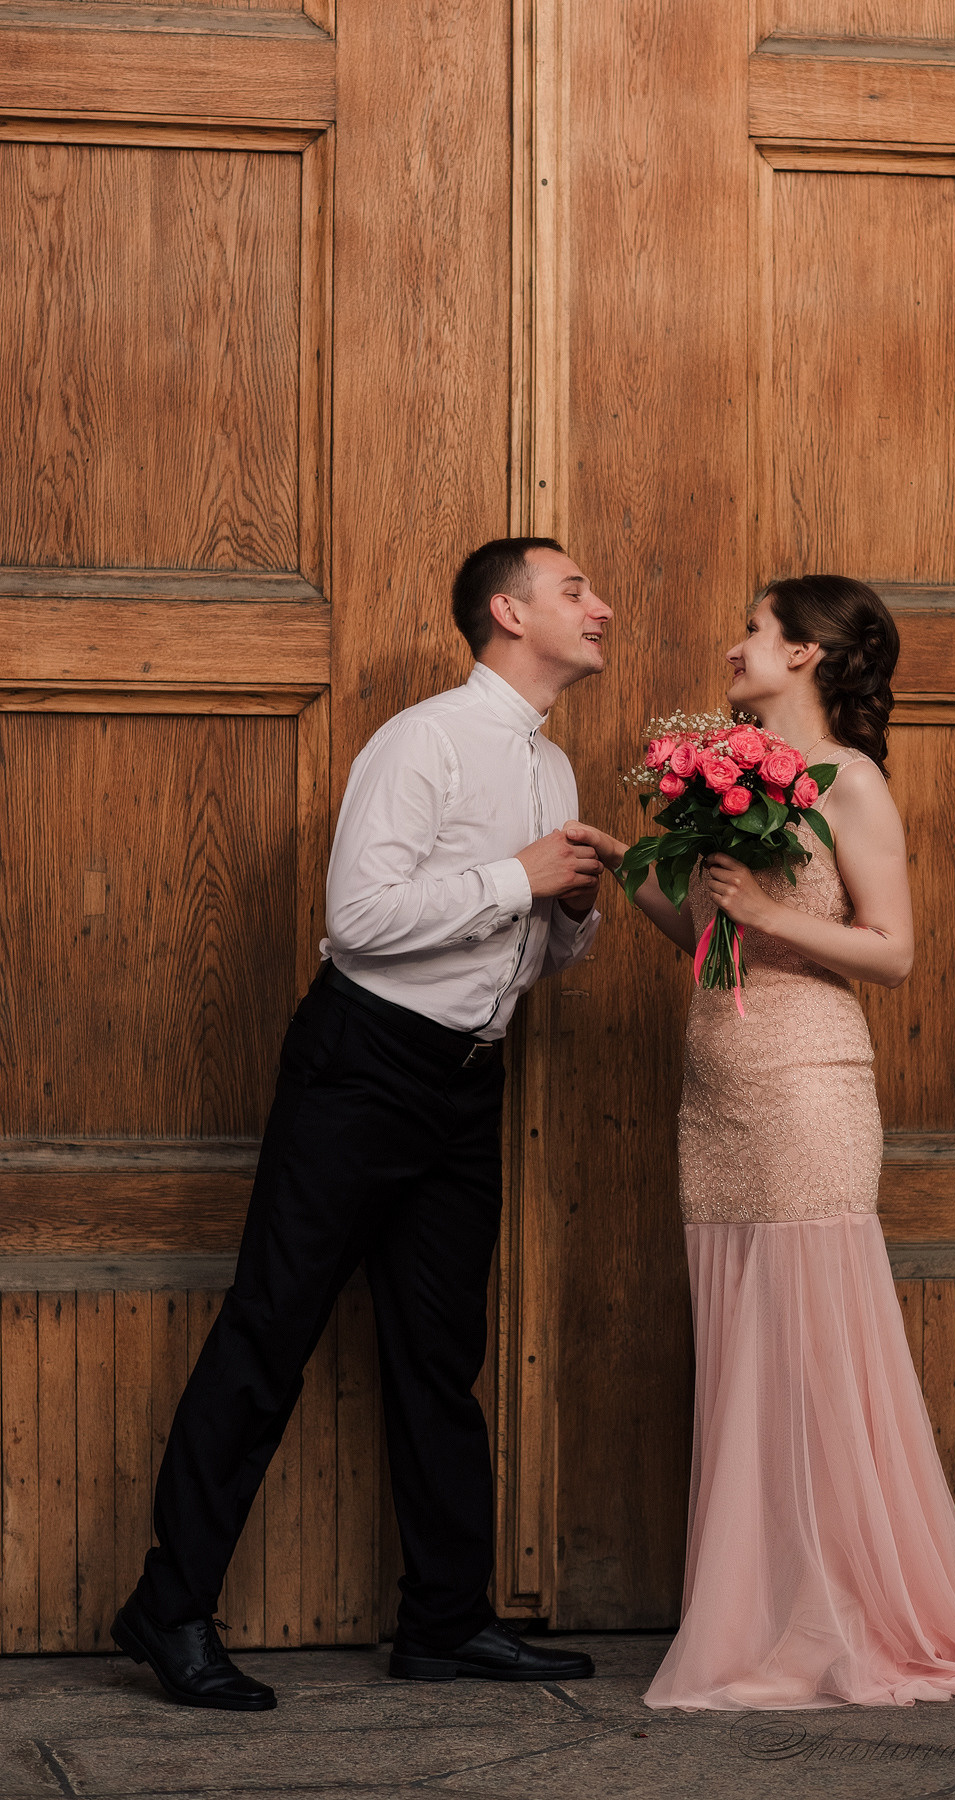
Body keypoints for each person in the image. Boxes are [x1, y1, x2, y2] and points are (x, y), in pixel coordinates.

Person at [573, 575, 955, 1710]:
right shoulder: (729, 776)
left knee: (810, 1350)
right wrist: (628, 866)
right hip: (718, 1089)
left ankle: (847, 1620)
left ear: (807, 653)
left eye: (754, 630)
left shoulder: (848, 781)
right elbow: (711, 941)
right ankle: (772, 1613)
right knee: (748, 1352)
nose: (734, 645)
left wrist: (766, 913)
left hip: (808, 1083)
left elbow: (892, 952)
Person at [112, 537, 611, 1710]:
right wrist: (518, 877)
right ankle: (167, 1610)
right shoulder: (421, 740)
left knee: (439, 1356)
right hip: (361, 1067)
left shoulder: (553, 769)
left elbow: (534, 952)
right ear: (508, 613)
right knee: (269, 1332)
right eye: (574, 590)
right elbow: (359, 918)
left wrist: (571, 910)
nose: (600, 607)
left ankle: (443, 1621)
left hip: (467, 1080)